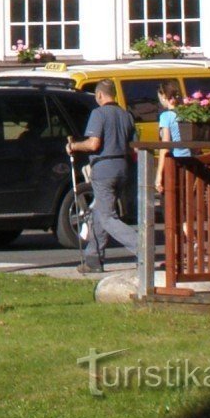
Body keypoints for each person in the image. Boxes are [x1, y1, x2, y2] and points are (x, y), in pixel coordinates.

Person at [66, 81, 140, 275]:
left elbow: (93, 144)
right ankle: (93, 259)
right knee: (100, 212)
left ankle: (142, 247)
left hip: (104, 168)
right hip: (123, 167)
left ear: (99, 95)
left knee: (107, 216)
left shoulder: (98, 114)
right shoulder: (126, 115)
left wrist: (73, 146)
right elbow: (135, 145)